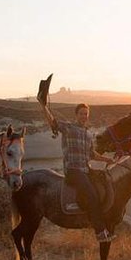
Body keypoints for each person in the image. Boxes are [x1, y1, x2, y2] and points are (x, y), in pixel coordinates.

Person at [38, 95, 115, 243]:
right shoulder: (68, 128)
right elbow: (53, 123)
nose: (84, 116)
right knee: (92, 194)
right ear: (76, 115)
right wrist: (44, 106)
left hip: (86, 169)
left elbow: (92, 154)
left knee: (104, 181)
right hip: (73, 170)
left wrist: (108, 159)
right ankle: (100, 232)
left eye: (86, 114)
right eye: (81, 113)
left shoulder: (88, 134)